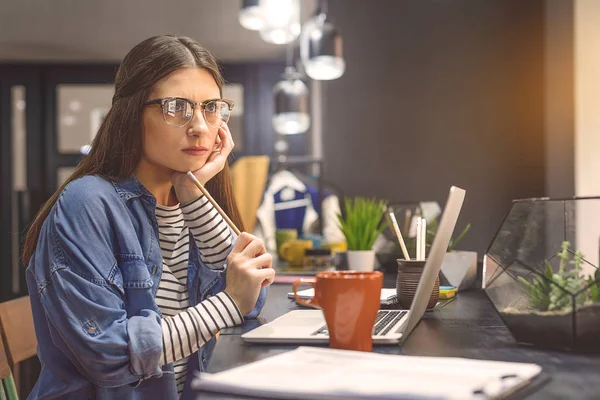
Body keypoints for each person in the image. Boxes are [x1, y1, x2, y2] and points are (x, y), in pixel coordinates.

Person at [21, 35, 275, 400]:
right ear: (132, 112)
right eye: (177, 107)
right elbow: (111, 354)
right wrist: (229, 304)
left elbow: (254, 296)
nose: (200, 126)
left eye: (211, 107)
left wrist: (192, 191)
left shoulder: (185, 204)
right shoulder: (88, 202)